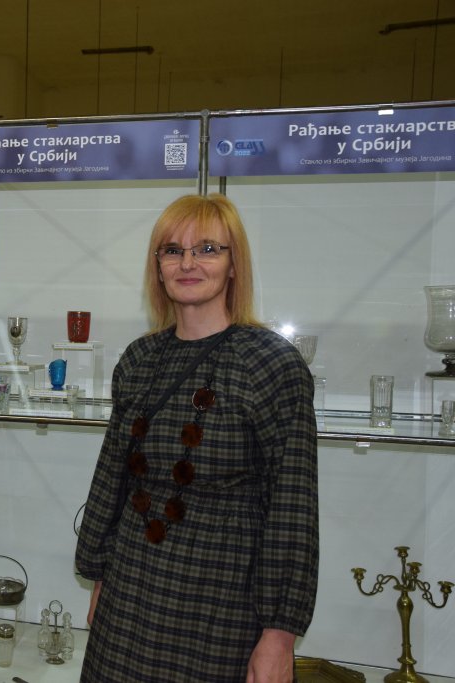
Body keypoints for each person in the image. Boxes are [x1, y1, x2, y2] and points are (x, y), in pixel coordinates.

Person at [74, 193, 318, 683]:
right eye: (173, 250)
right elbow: (111, 476)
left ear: (234, 265)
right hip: (131, 586)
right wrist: (99, 574)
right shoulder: (139, 360)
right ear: (158, 266)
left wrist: (279, 635)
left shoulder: (271, 364)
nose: (188, 263)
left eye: (208, 249)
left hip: (222, 597)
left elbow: (292, 508)